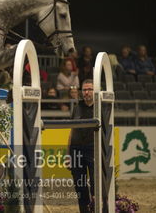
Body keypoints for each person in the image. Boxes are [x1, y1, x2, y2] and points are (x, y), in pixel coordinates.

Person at [68, 79, 96, 213]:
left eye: (90, 89)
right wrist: (68, 154)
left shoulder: (101, 108)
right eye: (84, 90)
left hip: (93, 149)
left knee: (96, 185)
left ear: (95, 91)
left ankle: (96, 209)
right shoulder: (77, 107)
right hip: (76, 150)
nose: (86, 92)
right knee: (80, 185)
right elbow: (72, 131)